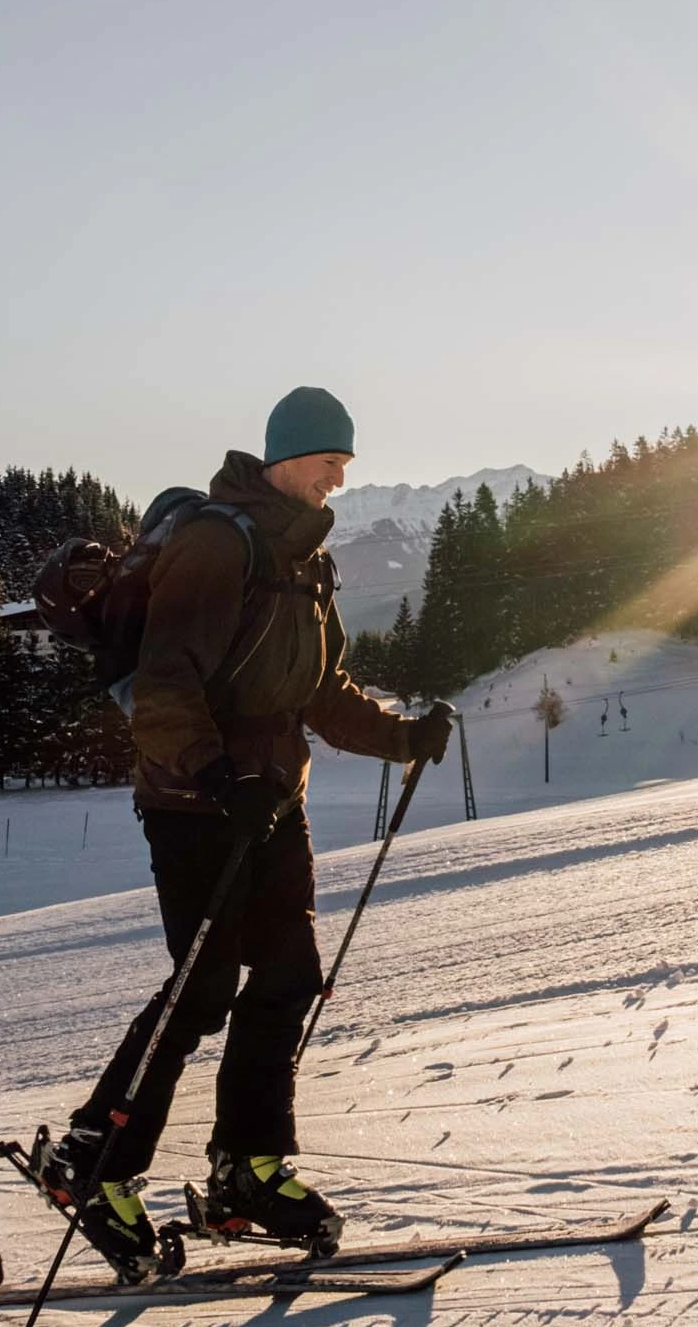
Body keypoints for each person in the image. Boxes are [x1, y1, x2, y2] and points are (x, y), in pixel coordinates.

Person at [38, 386, 452, 1277]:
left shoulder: (306, 560)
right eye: (325, 461)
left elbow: (319, 689)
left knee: (291, 975)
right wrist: (216, 775)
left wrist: (402, 737)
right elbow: (165, 684)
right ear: (281, 457)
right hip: (196, 803)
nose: (337, 478)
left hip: (272, 801)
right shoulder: (216, 541)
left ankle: (247, 1168)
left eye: (345, 465)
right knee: (202, 988)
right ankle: (92, 1161)